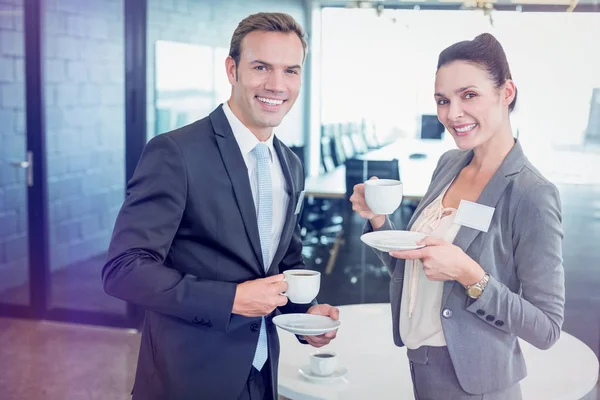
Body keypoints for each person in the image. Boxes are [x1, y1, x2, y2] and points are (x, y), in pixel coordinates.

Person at [103, 12, 339, 400]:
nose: (277, 85)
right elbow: (123, 270)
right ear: (232, 69)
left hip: (263, 376)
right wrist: (231, 299)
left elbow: (281, 265)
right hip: (188, 377)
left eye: (291, 71)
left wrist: (305, 312)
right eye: (261, 67)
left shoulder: (290, 164)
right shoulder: (175, 152)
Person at [350, 33, 564, 399]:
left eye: (469, 95)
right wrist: (379, 221)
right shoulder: (449, 164)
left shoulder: (531, 193)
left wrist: (471, 276)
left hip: (475, 381)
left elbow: (546, 328)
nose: (452, 114)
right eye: (442, 100)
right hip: (423, 364)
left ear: (506, 92)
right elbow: (417, 269)